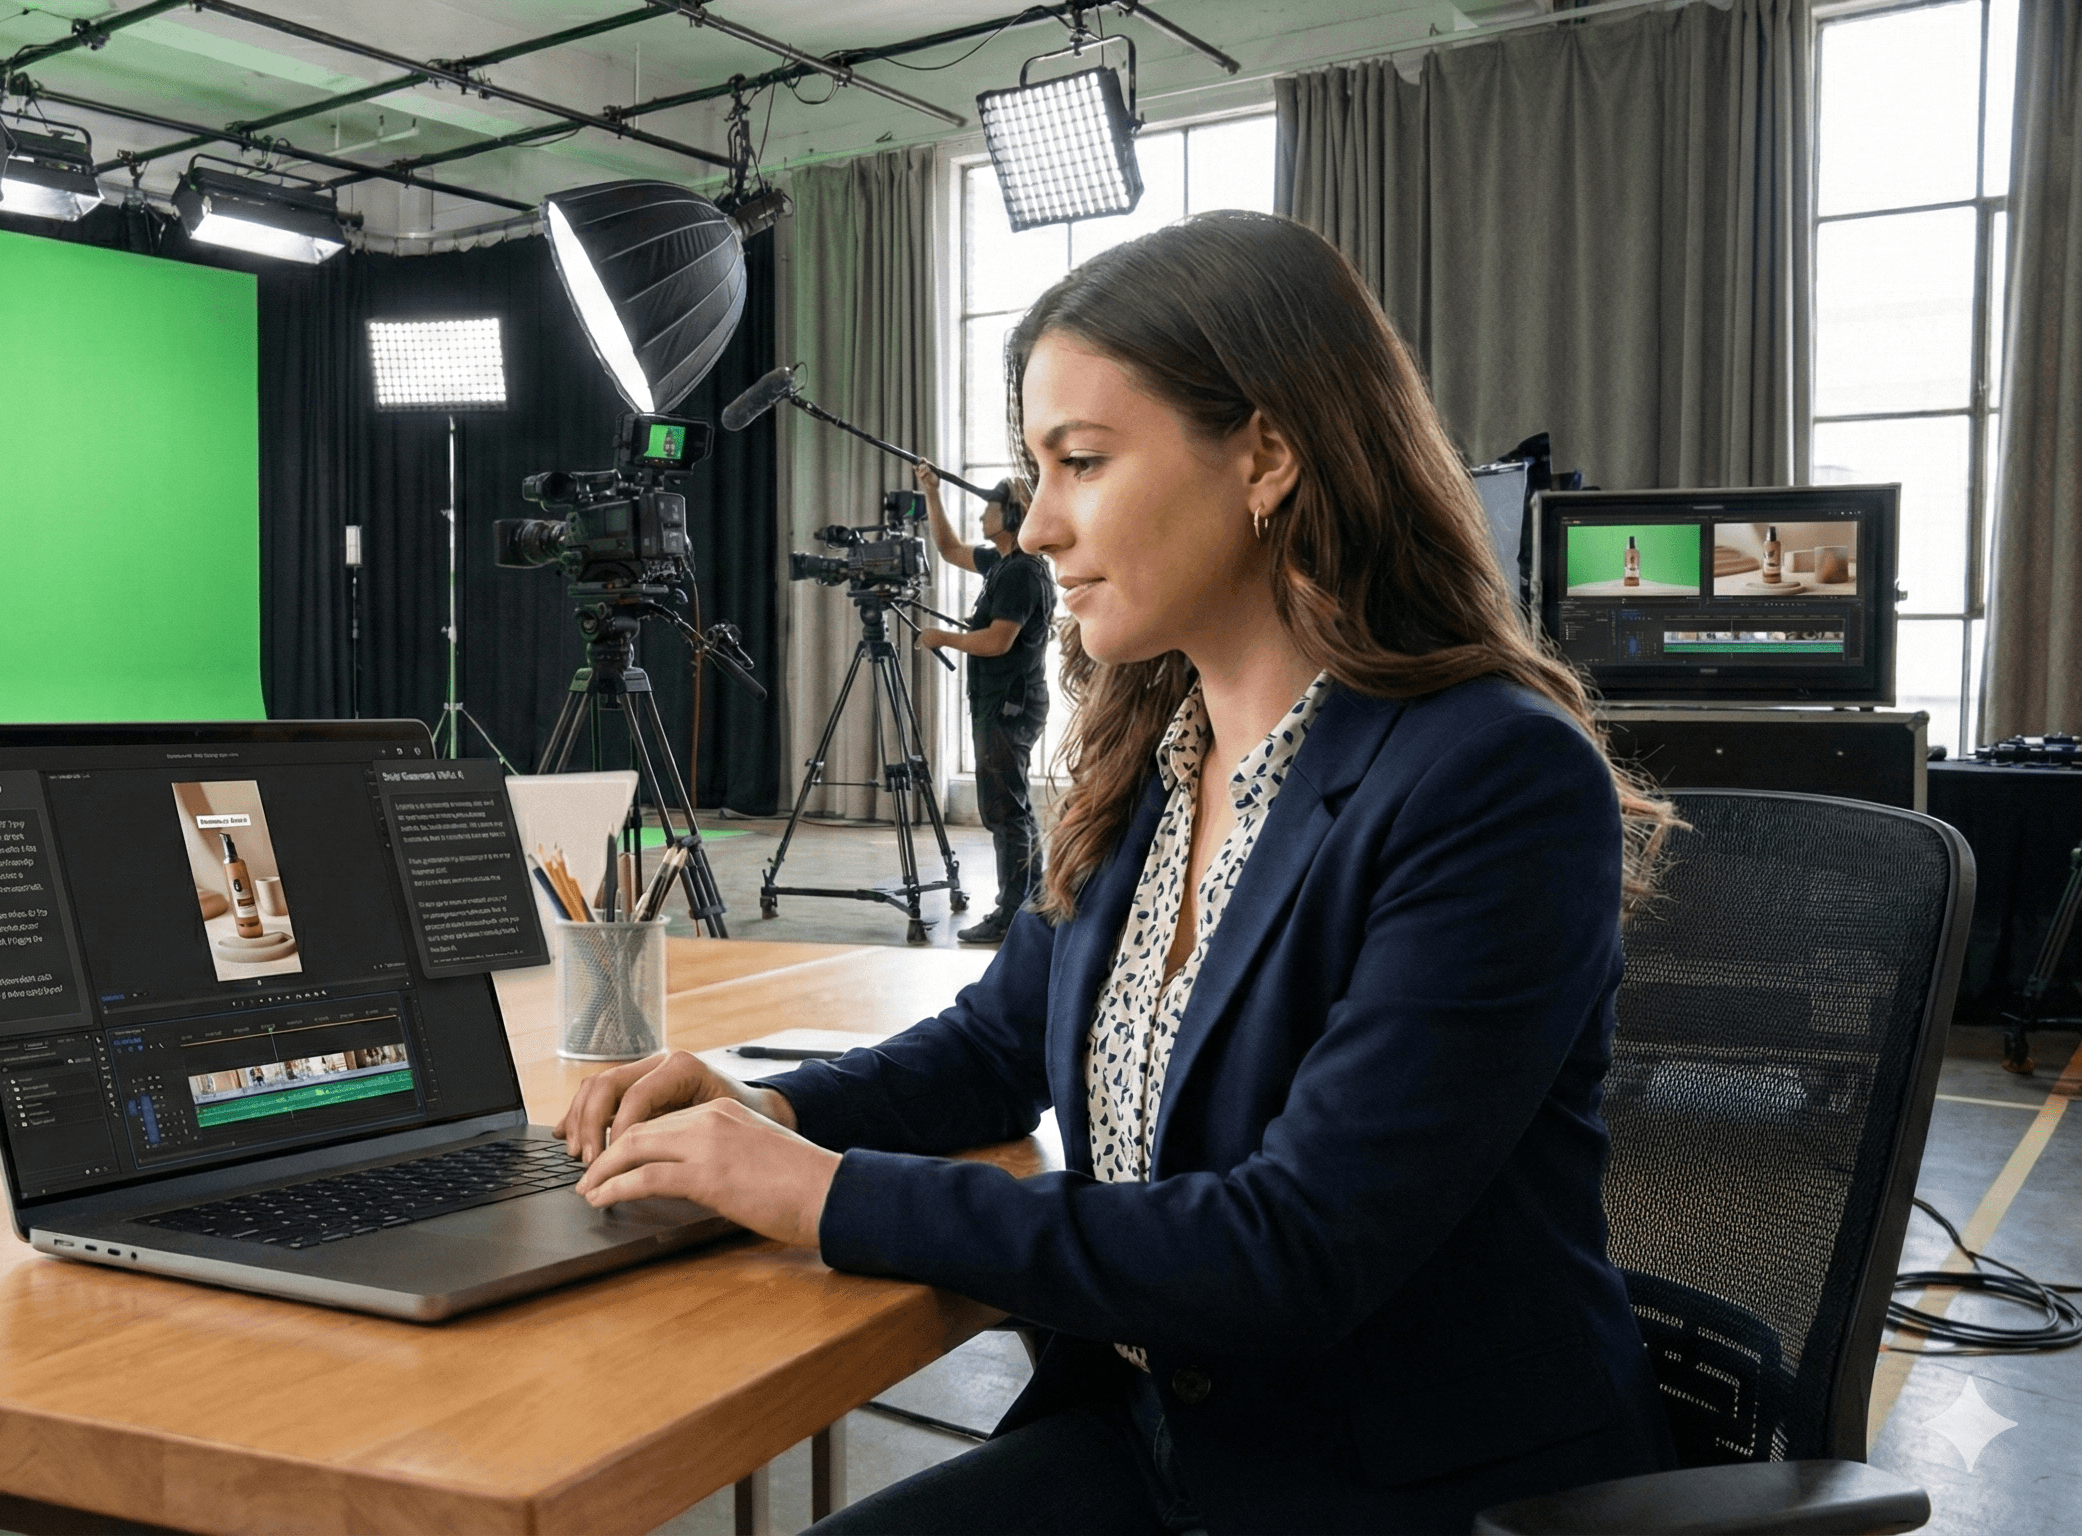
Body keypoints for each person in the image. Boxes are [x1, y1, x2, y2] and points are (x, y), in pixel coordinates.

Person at [557, 210, 1678, 1535]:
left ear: (1266, 453)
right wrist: (778, 1119)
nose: (1032, 526)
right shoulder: (1153, 755)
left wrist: (827, 1197)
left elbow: (1291, 1254)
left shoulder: (1492, 778)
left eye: (1080, 462)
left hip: (1398, 1492)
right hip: (1166, 1443)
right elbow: (994, 1044)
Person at [913, 465, 1054, 945]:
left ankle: (1014, 914)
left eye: (988, 508)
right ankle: (1029, 904)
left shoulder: (1020, 573)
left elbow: (997, 641)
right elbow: (949, 550)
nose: (980, 516)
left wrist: (942, 637)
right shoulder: (1002, 564)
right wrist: (932, 493)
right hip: (1004, 704)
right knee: (1008, 807)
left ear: (1010, 514)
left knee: (1005, 811)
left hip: (1009, 707)